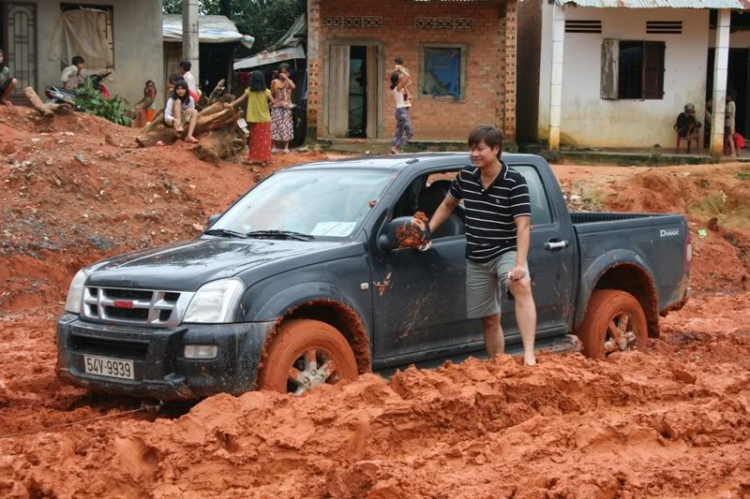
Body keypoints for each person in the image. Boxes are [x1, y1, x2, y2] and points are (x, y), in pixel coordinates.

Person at [428, 126, 537, 366]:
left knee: (520, 284)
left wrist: (520, 264)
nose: (474, 154)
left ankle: (529, 354)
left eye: (480, 149)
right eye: (471, 149)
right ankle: (498, 363)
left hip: (505, 250)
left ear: (496, 149)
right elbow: (447, 205)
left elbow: (523, 225)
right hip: (476, 256)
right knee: (489, 319)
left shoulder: (514, 180)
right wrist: (427, 231)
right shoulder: (466, 176)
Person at [230, 70, 276, 165]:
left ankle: (253, 158)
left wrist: (230, 104)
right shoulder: (267, 91)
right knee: (265, 140)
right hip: (265, 119)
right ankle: (265, 159)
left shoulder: (249, 91)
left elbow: (240, 99)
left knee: (254, 139)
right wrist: (268, 106)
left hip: (254, 119)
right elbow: (274, 102)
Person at [270, 63, 296, 154]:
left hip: (286, 107)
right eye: (281, 72)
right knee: (275, 126)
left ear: (288, 73)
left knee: (287, 126)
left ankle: (286, 146)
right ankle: (274, 146)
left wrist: (287, 78)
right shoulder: (275, 82)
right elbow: (272, 94)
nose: (283, 74)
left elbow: (293, 87)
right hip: (276, 107)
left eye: (285, 72)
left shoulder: (289, 82)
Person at [390, 71, 414, 154]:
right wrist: (401, 69)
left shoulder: (402, 88)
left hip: (401, 111)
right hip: (402, 112)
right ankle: (397, 147)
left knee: (399, 133)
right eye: (401, 78)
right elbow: (407, 76)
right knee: (410, 132)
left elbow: (409, 80)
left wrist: (401, 71)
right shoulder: (398, 88)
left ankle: (393, 148)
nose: (403, 78)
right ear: (397, 82)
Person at [725, 92, 737, 157]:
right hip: (731, 122)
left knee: (729, 138)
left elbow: (728, 112)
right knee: (727, 138)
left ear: (730, 96)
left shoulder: (730, 103)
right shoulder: (733, 103)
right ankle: (726, 152)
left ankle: (733, 153)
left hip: (728, 122)